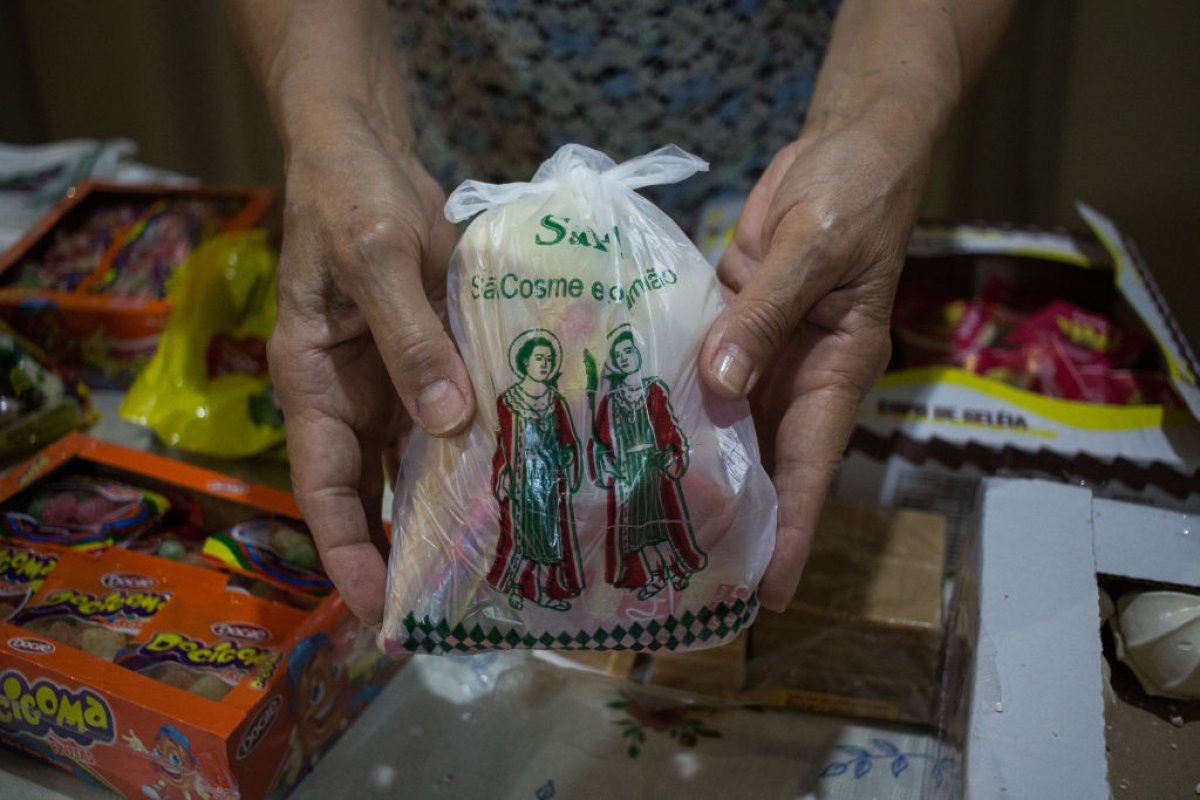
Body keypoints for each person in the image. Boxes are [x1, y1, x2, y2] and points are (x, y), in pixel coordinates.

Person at [224, 0, 1014, 624]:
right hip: (448, 224)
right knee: (509, 535)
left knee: (689, 525)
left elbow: (630, 434)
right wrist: (340, 127)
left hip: (772, 219)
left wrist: (881, 119)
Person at [588, 326, 707, 600]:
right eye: (618, 355)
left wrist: (672, 452)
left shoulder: (654, 392)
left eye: (628, 350)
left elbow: (668, 427)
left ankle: (676, 570)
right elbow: (600, 440)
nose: (624, 357)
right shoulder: (610, 401)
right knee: (637, 535)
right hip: (628, 474)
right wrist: (606, 464)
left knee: (662, 526)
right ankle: (656, 574)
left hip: (653, 469)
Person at [488, 330, 583, 611]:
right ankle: (515, 587)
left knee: (549, 538)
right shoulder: (508, 401)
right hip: (522, 479)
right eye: (538, 358)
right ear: (525, 361)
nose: (544, 363)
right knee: (520, 536)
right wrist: (504, 473)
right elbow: (502, 443)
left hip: (549, 480)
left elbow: (568, 440)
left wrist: (567, 457)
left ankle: (543, 591)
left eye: (549, 359)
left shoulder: (555, 401)